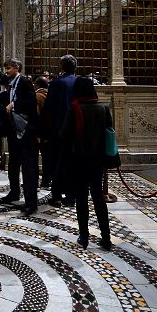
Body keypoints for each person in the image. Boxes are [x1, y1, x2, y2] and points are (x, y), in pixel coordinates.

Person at [59, 76, 113, 250]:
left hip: (79, 161)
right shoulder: (104, 109)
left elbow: (63, 135)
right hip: (97, 161)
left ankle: (84, 237)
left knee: (81, 198)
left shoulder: (74, 109)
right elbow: (109, 134)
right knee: (98, 197)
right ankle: (106, 238)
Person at [0, 58, 38, 215]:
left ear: (17, 68)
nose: (6, 71)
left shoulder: (24, 81)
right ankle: (14, 192)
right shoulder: (12, 84)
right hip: (14, 131)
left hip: (26, 131)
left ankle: (31, 202)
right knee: (13, 164)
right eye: (5, 68)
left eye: (8, 68)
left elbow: (31, 101)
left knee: (28, 168)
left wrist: (15, 104)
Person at [41, 55, 77, 206]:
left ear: (61, 67)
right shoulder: (80, 82)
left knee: (56, 163)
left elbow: (49, 109)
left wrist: (45, 131)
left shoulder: (56, 83)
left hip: (58, 130)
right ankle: (71, 196)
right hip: (75, 130)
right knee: (73, 163)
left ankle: (56, 196)